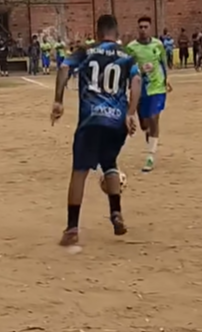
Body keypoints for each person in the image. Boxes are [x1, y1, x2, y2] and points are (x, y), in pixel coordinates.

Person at [51, 14, 141, 247]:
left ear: (98, 32)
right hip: (117, 121)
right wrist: (131, 113)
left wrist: (58, 100)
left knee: (79, 171)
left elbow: (64, 67)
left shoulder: (86, 51)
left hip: (90, 120)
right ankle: (116, 213)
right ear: (116, 32)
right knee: (109, 162)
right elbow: (137, 82)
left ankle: (72, 228)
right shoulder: (127, 55)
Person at [127, 16, 171, 172]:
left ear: (150, 28)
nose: (143, 30)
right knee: (144, 123)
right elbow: (128, 67)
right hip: (141, 89)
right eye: (141, 27)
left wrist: (166, 80)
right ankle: (149, 134)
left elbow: (163, 62)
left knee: (154, 118)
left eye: (146, 27)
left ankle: (150, 157)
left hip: (157, 87)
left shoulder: (158, 44)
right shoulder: (131, 48)